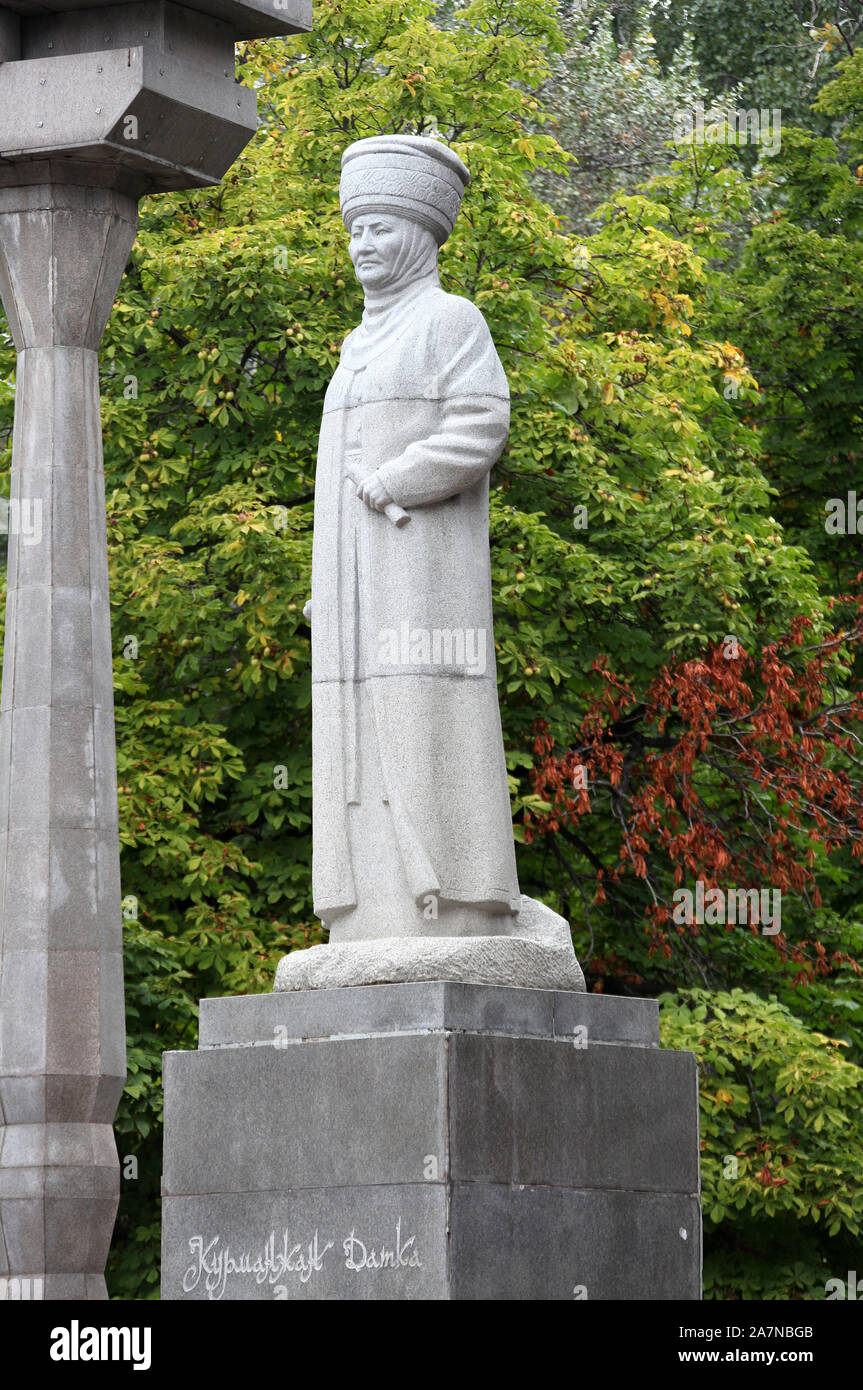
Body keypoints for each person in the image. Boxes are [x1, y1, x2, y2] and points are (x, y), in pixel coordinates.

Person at [278, 135, 584, 991]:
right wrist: (324, 586)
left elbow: (480, 422)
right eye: (353, 233)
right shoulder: (352, 346)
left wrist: (390, 482)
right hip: (353, 594)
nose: (362, 247)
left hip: (419, 581)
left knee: (423, 728)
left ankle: (452, 907)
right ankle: (371, 913)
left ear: (417, 233)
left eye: (378, 229)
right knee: (356, 748)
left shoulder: (451, 321)